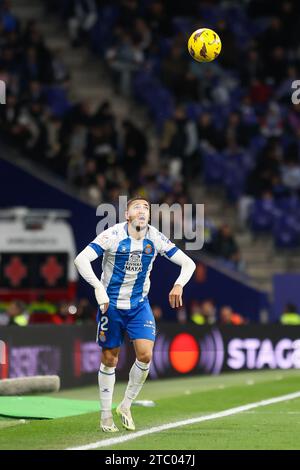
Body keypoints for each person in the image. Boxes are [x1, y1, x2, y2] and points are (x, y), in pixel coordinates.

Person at [74, 197, 196, 432]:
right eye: (137, 207)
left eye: (146, 208)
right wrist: (98, 288)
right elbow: (81, 259)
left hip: (139, 305)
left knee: (146, 355)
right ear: (127, 215)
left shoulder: (155, 237)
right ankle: (105, 414)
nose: (142, 210)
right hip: (111, 306)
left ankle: (126, 405)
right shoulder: (112, 235)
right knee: (110, 359)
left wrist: (179, 284)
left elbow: (188, 264)